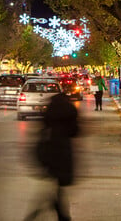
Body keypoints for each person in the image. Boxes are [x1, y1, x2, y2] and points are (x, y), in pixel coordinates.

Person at [25, 92, 78, 221]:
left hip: (50, 150)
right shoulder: (70, 111)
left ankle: (60, 213)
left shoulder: (50, 110)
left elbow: (42, 128)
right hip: (64, 152)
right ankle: (62, 215)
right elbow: (75, 131)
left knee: (53, 187)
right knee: (58, 187)